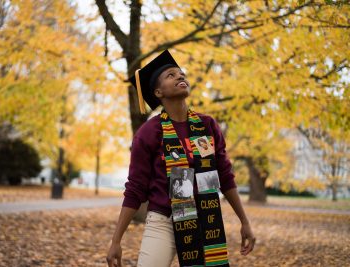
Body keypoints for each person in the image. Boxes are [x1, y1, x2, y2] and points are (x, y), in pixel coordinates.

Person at [106, 50, 255, 267]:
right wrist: (116, 241)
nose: (180, 77)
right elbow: (136, 188)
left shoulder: (207, 125)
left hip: (206, 220)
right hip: (163, 221)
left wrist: (244, 221)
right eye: (171, 75)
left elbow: (225, 176)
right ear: (158, 92)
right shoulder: (149, 132)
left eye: (181, 73)